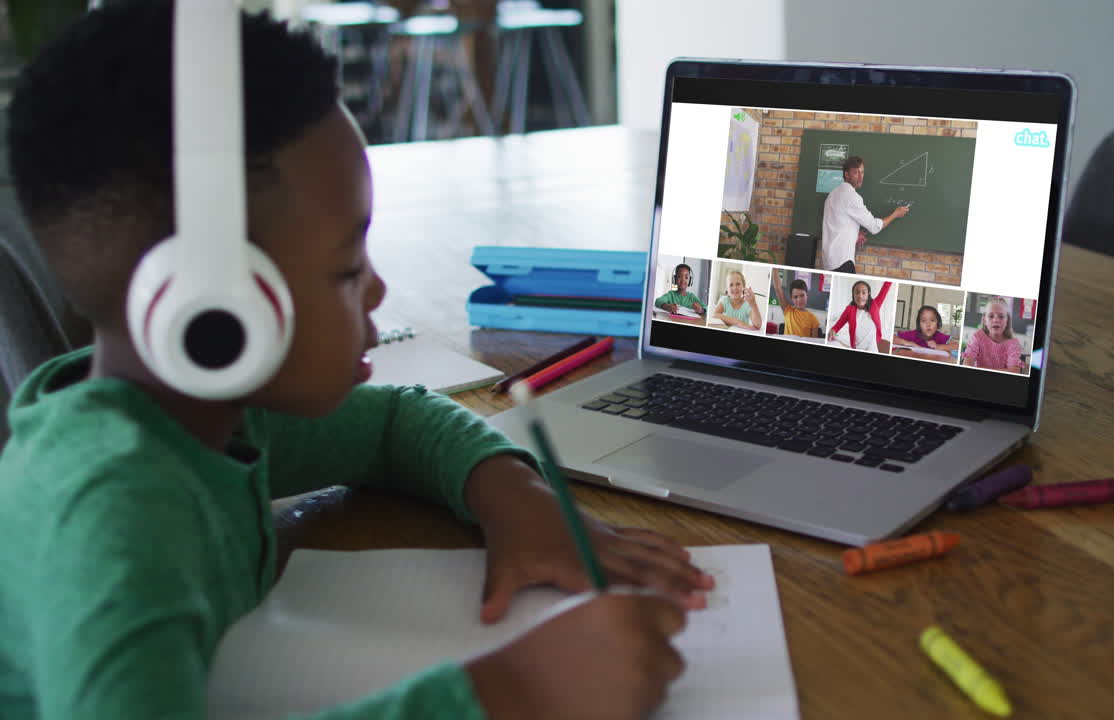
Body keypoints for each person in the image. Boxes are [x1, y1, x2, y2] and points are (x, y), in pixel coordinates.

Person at [0, 4, 712, 719]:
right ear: (214, 311)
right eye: (346, 269)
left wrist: (516, 500)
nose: (376, 288)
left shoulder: (204, 418)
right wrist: (510, 694)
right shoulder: (113, 522)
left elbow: (392, 422)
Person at [820, 156, 910, 272]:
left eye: (862, 172)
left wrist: (854, 234)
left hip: (830, 260)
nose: (861, 177)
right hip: (842, 262)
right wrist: (895, 214)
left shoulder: (833, 194)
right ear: (847, 175)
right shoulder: (852, 197)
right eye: (856, 173)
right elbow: (874, 227)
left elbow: (837, 223)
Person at [961, 298, 1026, 373]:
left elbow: (1014, 371)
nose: (996, 320)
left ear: (1007, 320)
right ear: (984, 320)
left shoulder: (1013, 344)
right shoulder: (977, 337)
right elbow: (967, 364)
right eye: (991, 316)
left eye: (1001, 317)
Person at [828, 280, 892, 352]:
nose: (860, 296)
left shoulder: (875, 305)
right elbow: (836, 327)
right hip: (856, 348)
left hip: (872, 348)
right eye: (857, 292)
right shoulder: (849, 310)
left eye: (864, 293)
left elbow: (886, 287)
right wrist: (832, 331)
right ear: (853, 294)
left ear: (868, 294)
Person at [770, 269, 822, 338]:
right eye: (795, 297)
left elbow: (814, 341)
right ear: (791, 298)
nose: (799, 299)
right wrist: (775, 269)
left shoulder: (813, 319)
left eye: (802, 295)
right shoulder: (787, 310)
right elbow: (777, 288)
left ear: (807, 295)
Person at [894, 305, 959, 354]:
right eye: (924, 321)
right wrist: (907, 343)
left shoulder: (940, 336)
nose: (928, 324)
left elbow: (957, 346)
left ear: (937, 323)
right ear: (919, 324)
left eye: (932, 320)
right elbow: (891, 337)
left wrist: (938, 346)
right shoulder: (913, 334)